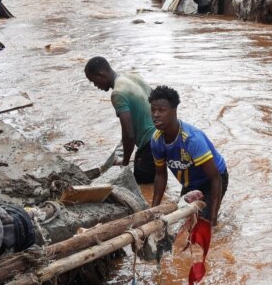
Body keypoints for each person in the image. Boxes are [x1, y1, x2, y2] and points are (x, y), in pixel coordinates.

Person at [149, 86, 228, 225]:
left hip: (213, 179)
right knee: (183, 220)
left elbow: (215, 178)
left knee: (203, 222)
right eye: (153, 110)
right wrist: (152, 212)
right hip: (190, 182)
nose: (155, 114)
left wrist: (213, 218)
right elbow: (160, 175)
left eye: (161, 110)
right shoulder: (156, 140)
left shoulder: (191, 139)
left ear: (174, 112)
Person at [84, 57, 156, 184]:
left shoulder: (118, 94)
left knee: (143, 184)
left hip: (149, 144)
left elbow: (129, 134)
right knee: (158, 177)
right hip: (162, 136)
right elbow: (156, 98)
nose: (96, 86)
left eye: (94, 81)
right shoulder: (133, 77)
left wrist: (125, 163)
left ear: (101, 74)